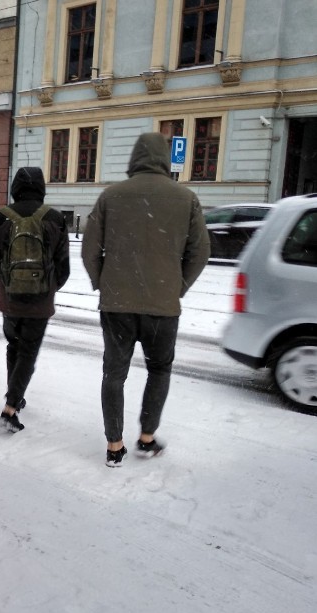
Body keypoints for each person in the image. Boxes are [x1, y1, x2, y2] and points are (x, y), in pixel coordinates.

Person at [81, 132, 210, 467]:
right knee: (159, 369)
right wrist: (177, 287)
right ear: (165, 160)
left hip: (117, 303)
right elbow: (200, 253)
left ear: (134, 158)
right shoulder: (185, 198)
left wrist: (102, 282)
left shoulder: (111, 196)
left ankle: (114, 445)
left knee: (114, 373)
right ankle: (147, 437)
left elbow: (89, 248)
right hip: (163, 306)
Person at [0, 167, 70, 433]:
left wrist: (3, 285)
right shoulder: (54, 218)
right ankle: (10, 408)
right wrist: (49, 287)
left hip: (10, 300)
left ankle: (15, 395)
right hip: (40, 302)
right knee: (28, 352)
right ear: (41, 187)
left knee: (14, 346)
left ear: (15, 187)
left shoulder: (0, 218)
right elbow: (63, 265)